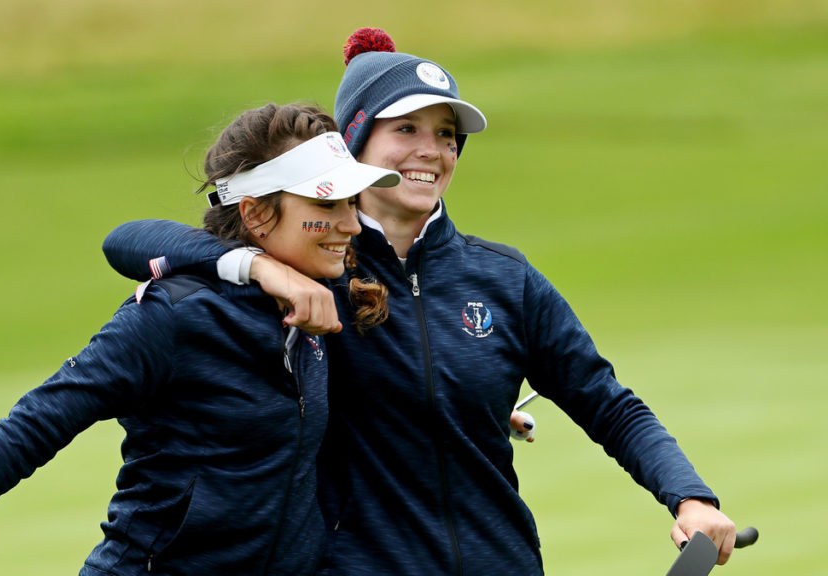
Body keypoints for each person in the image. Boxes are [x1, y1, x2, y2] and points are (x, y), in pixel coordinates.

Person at [99, 29, 737, 575]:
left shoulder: (504, 279)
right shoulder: (307, 268)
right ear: (350, 144)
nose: (433, 150)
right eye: (406, 129)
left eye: (447, 133)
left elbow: (608, 403)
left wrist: (689, 498)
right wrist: (262, 267)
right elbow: (134, 240)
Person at [0, 102, 401, 576]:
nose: (351, 224)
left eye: (351, 203)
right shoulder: (171, 318)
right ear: (254, 214)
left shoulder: (328, 300)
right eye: (327, 205)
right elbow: (30, 430)